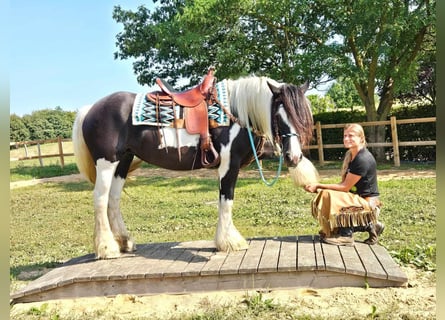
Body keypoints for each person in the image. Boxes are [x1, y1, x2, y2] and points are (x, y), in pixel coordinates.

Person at [304, 123, 384, 246]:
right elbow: (344, 186)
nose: (346, 139)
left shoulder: (362, 159)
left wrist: (319, 185)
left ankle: (346, 235)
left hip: (368, 205)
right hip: (358, 200)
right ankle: (370, 226)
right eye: (345, 136)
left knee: (329, 195)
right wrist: (318, 188)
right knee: (327, 194)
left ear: (361, 138)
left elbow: (345, 187)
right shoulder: (352, 155)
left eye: (351, 136)